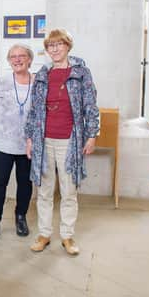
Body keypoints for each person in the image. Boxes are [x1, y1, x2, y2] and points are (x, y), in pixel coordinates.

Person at [24, 28, 99, 255]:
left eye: (59, 45)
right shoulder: (43, 74)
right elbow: (34, 109)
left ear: (68, 46)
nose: (55, 49)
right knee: (44, 191)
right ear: (47, 50)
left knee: (68, 191)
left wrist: (92, 134)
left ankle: (67, 236)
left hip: (70, 140)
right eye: (50, 46)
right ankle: (44, 234)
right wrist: (29, 138)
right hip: (43, 139)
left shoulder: (81, 72)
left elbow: (90, 106)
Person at [0, 44, 34, 243]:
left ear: (29, 59)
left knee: (25, 183)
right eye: (13, 56)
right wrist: (2, 127)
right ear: (9, 60)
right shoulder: (2, 82)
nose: (17, 59)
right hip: (3, 143)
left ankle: (20, 217)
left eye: (22, 56)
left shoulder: (37, 82)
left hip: (27, 144)